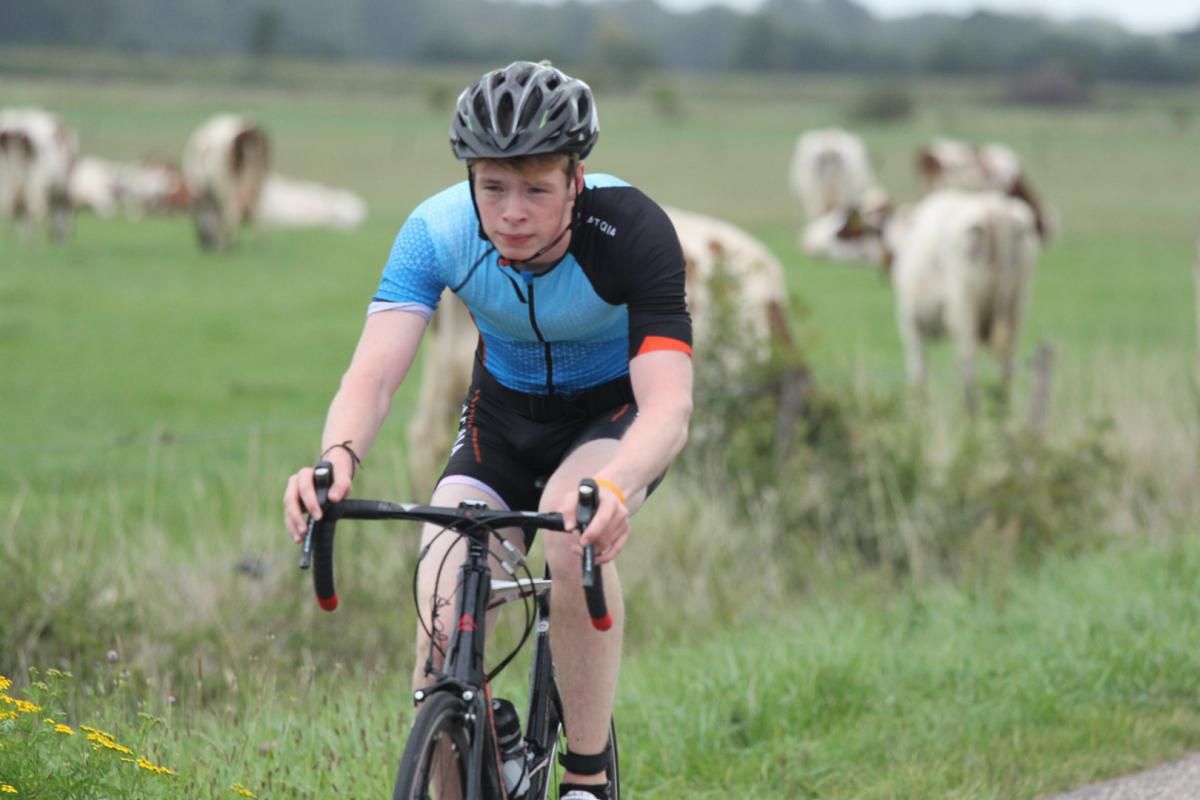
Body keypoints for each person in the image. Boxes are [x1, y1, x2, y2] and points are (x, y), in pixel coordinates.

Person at [283, 60, 693, 800]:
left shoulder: (633, 230)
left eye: (536, 188)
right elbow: (372, 376)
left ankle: (587, 774)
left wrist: (619, 485)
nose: (511, 212)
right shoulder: (435, 230)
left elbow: (668, 408)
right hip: (500, 419)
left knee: (572, 536)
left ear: (577, 179)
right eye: (493, 186)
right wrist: (337, 459)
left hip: (608, 420)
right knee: (440, 616)